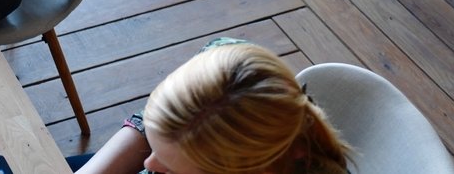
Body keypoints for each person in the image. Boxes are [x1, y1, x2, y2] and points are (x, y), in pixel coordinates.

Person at [75, 40, 350, 174]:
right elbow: (152, 126)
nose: (150, 163)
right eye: (157, 150)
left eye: (172, 167)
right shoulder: (226, 59)